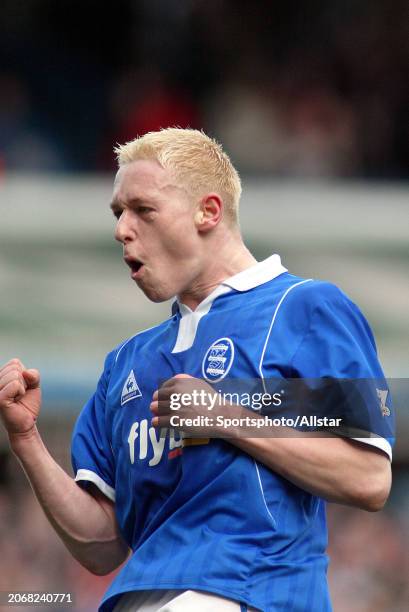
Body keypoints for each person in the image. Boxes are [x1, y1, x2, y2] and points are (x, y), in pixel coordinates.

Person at [0, 128, 394, 612]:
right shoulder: (126, 363)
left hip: (250, 592)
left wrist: (223, 417)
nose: (122, 228)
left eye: (142, 210)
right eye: (118, 213)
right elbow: (101, 546)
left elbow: (369, 478)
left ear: (208, 211)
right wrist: (27, 442)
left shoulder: (305, 308)